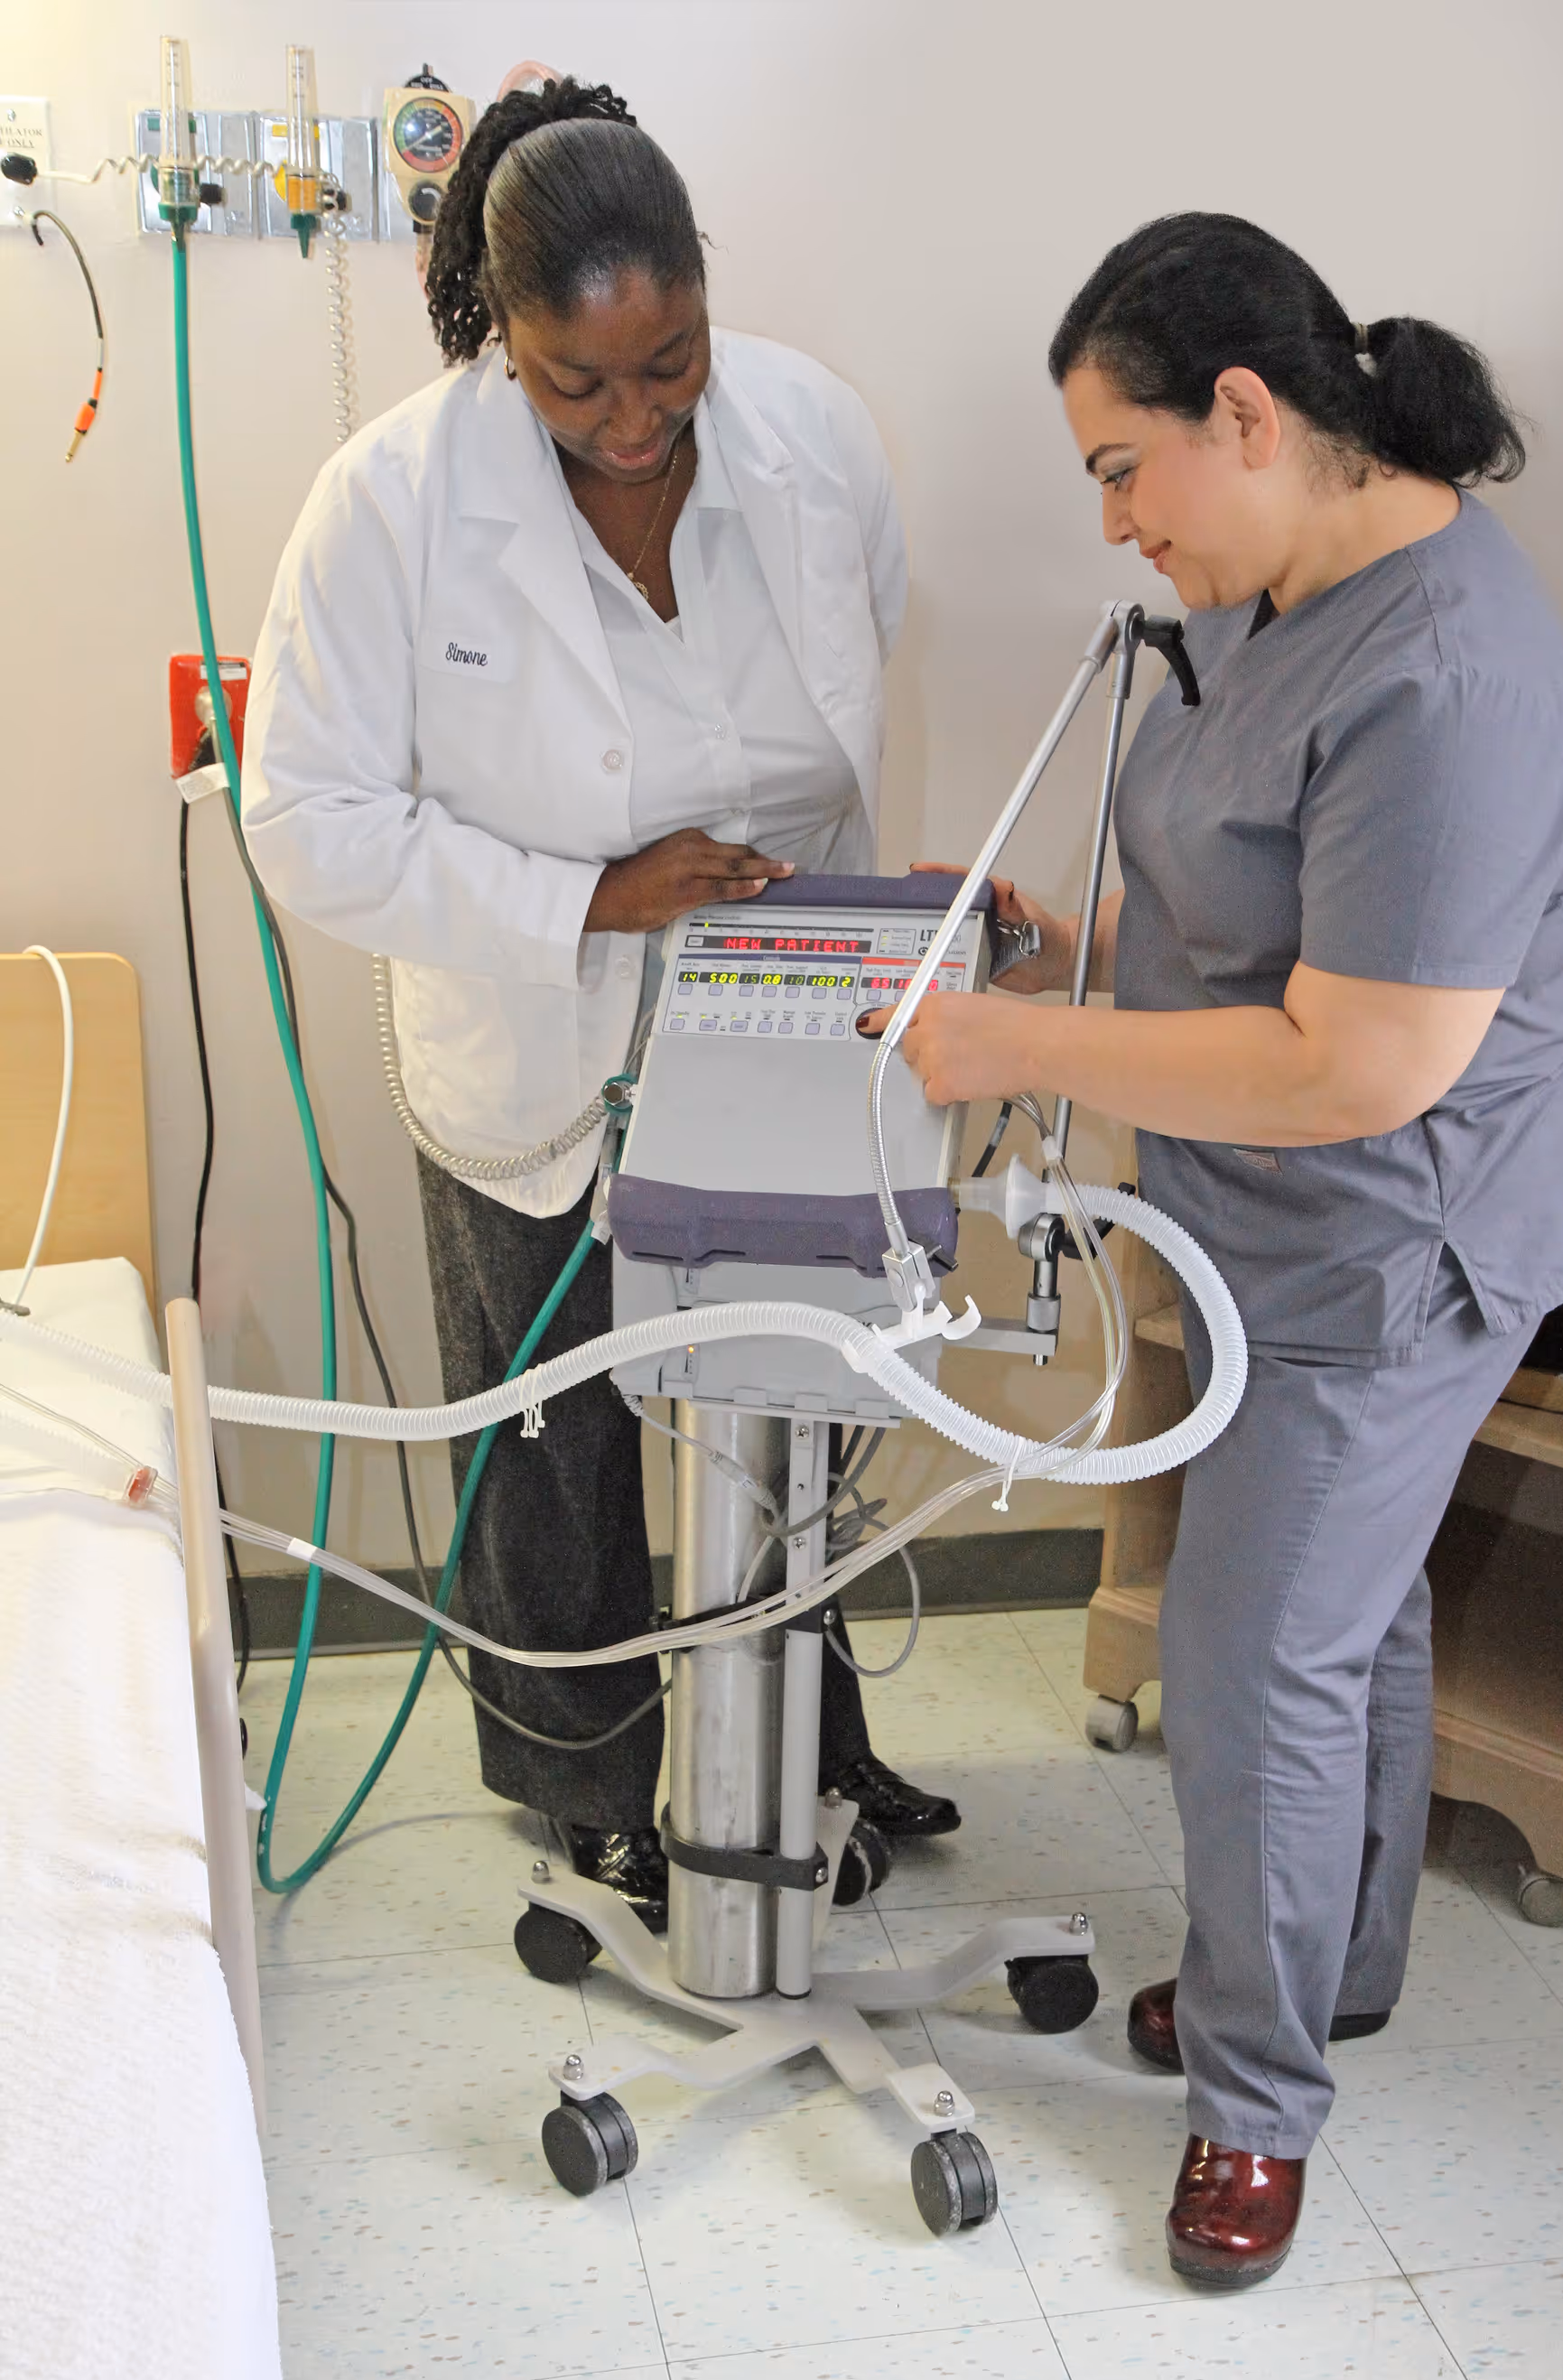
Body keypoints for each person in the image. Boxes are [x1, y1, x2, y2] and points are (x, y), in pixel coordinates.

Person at [877, 213, 1563, 2285]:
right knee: (1344, 1627)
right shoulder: (1295, 592)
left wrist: (1012, 1044)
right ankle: (1336, 1967)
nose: (1115, 526)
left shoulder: (1452, 671)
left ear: (1248, 413)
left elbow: (1360, 1058)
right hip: (1261, 1238)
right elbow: (1257, 924)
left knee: (1251, 1657)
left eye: (1123, 470)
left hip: (1394, 1259)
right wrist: (1055, 941)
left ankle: (1256, 2101)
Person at [242, 77, 961, 1932]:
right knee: (554, 1434)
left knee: (782, 1399)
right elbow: (305, 824)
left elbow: (867, 647)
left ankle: (806, 1734)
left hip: (782, 1000)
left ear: (707, 298)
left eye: (674, 365)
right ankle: (588, 1781)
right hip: (528, 1032)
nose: (639, 423)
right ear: (505, 341)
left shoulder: (810, 432)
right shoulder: (390, 504)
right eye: (584, 387)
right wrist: (588, 899)